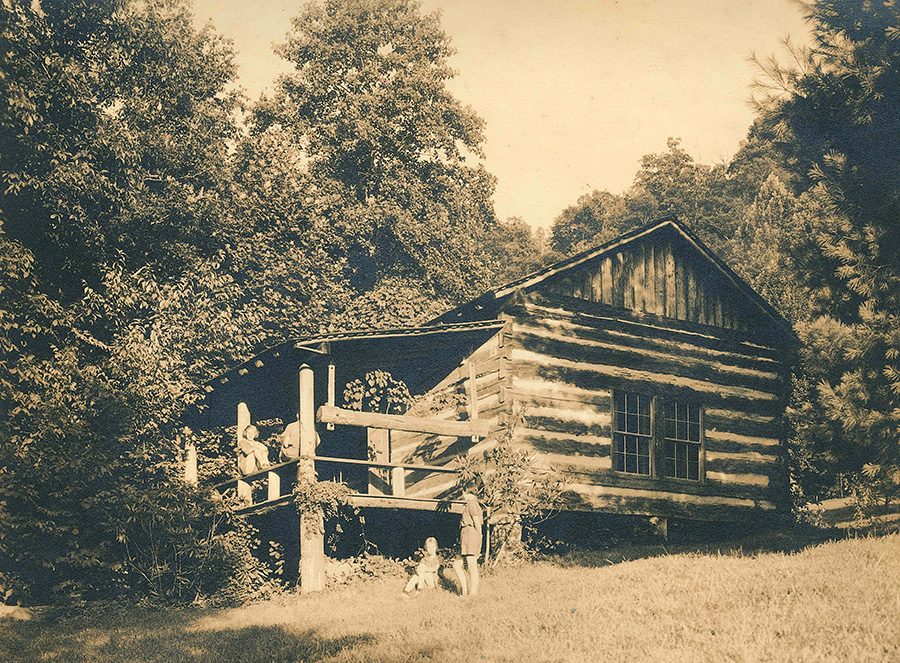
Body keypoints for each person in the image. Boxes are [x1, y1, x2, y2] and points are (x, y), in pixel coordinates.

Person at [452, 489, 483, 596]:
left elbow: (477, 522)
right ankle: (464, 591)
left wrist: (479, 537)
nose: (463, 495)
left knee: (471, 565)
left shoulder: (473, 503)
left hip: (471, 534)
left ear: (468, 492)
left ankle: (473, 593)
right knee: (456, 564)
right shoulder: (470, 503)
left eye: (464, 493)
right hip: (465, 535)